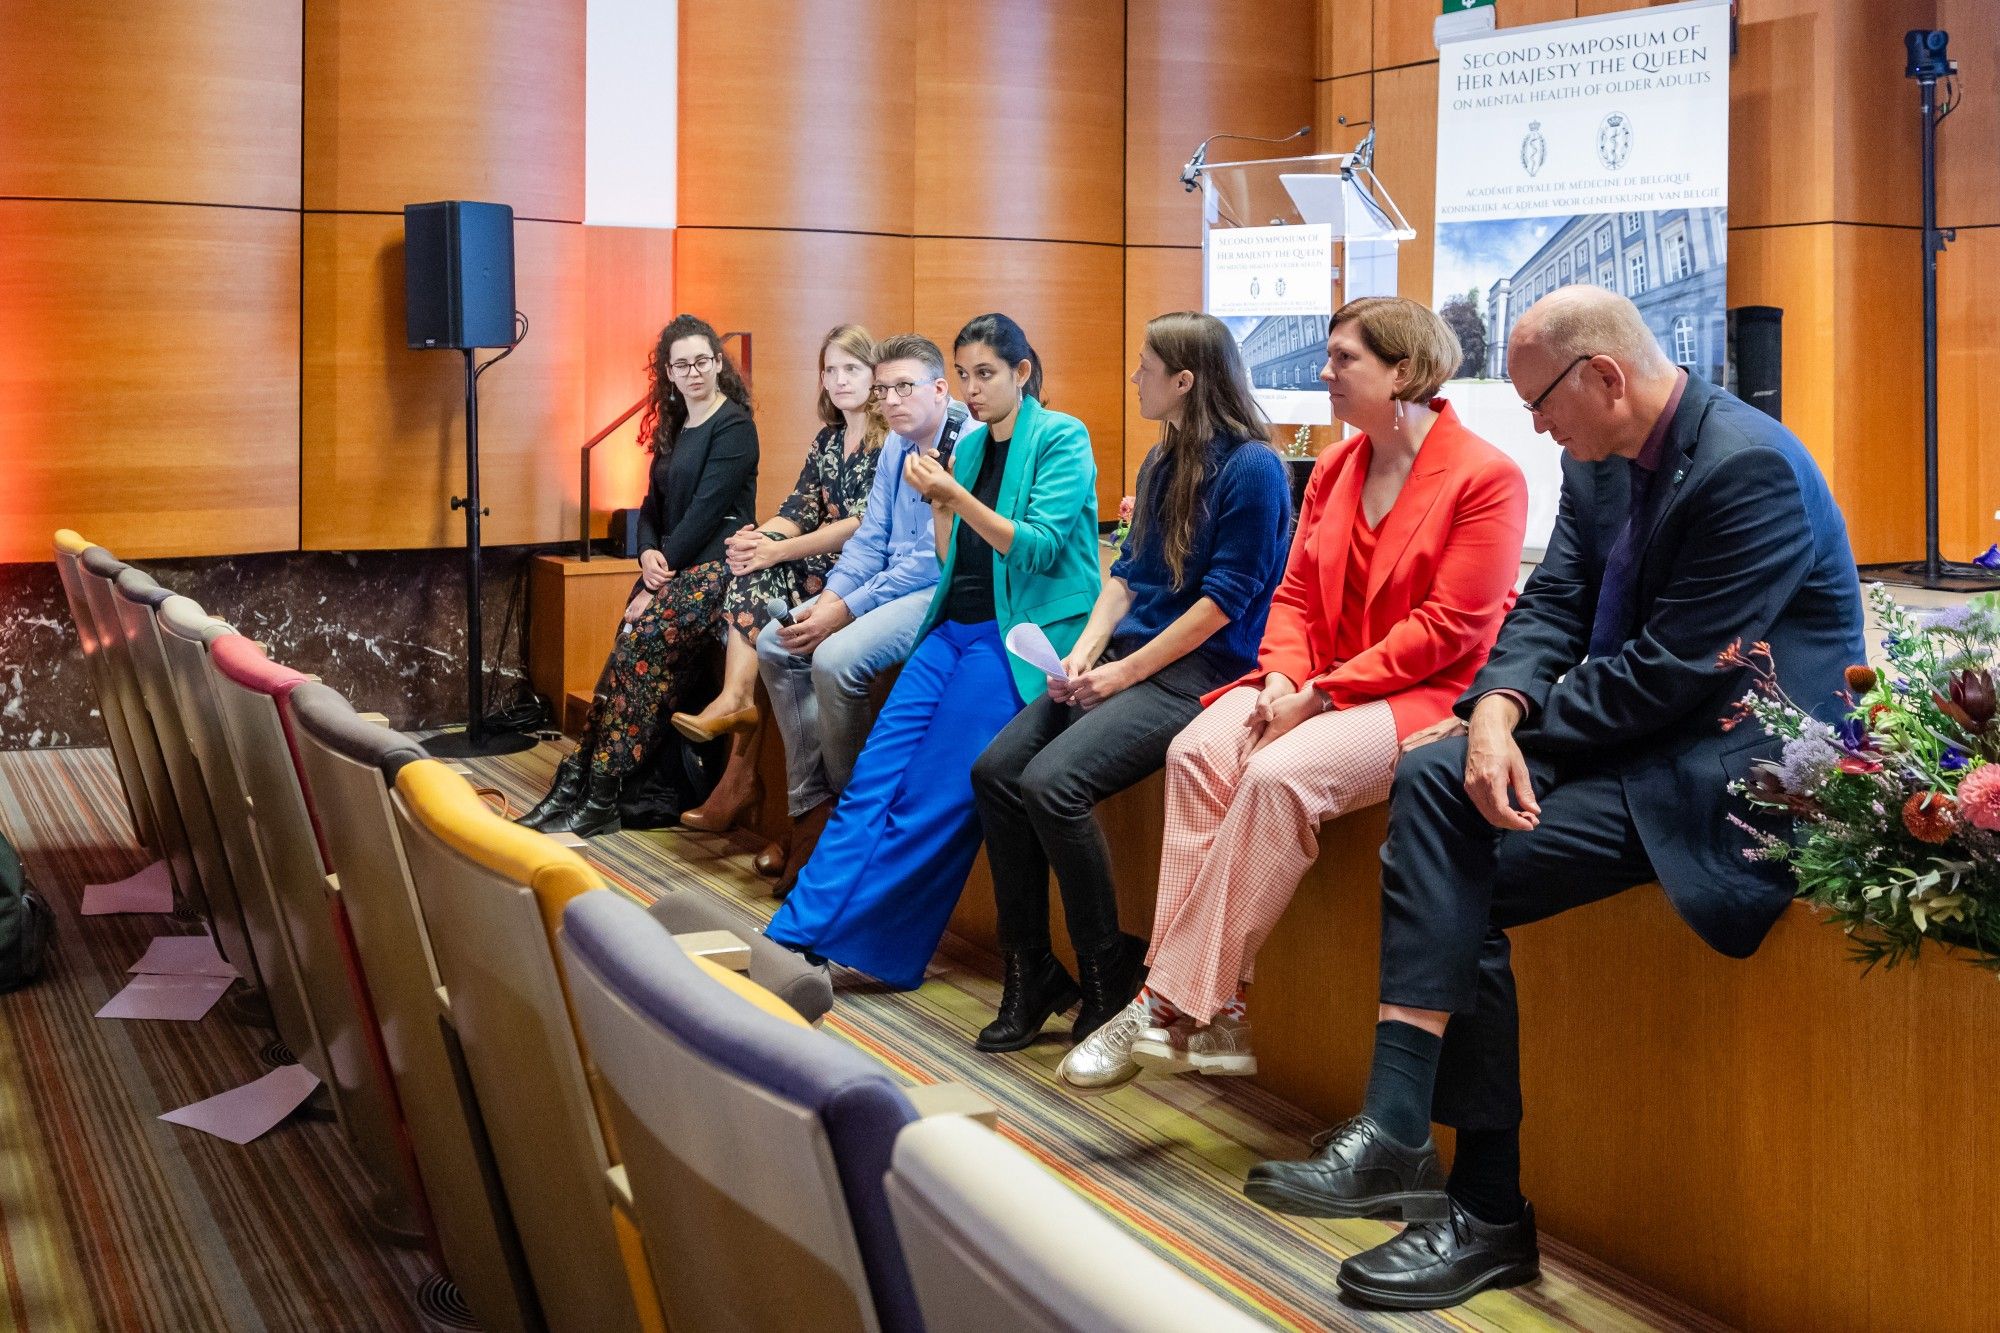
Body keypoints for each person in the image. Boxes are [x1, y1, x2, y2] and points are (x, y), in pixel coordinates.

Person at [1243, 286, 1864, 1312]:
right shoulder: (1598, 454)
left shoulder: (1746, 467)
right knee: (1441, 785)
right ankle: (1410, 1145)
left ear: (1604, 378)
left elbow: (1671, 673)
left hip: (1727, 772)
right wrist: (1495, 703)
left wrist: (1506, 724)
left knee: (1455, 858)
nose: (1533, 426)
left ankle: (1466, 1196)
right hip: (1640, 738)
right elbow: (1553, 601)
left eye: (1539, 403)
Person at [1062, 296, 1529, 1093]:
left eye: (1344, 357)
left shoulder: (1488, 477)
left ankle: (1164, 999)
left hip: (1419, 697)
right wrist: (1283, 676)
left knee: (1277, 778)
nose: (1324, 370)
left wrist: (1314, 696)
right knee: (1197, 750)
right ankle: (1224, 1003)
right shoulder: (1340, 466)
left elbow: (1446, 631)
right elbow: (1295, 596)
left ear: (1404, 371)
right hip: (1309, 677)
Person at [969, 312, 1292, 1054]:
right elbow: (1126, 578)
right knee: (996, 772)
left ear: (1185, 380)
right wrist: (1083, 654)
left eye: (1145, 366)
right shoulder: (1161, 461)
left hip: (1200, 674)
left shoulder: (1252, 466)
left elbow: (1223, 605)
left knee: (1052, 783)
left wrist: (1120, 674)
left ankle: (1109, 970)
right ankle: (1031, 970)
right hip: (1133, 659)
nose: (1135, 377)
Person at [765, 314, 1100, 988]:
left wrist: (950, 496)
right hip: (953, 625)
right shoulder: (968, 452)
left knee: (931, 794)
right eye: (967, 374)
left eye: (985, 374)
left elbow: (1035, 547)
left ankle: (868, 947)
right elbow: (950, 558)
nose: (973, 390)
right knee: (872, 780)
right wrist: (947, 507)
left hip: (1016, 636)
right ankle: (798, 930)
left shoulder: (1061, 437)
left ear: (1021, 374)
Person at [518, 314, 757, 836]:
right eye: (681, 364)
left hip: (716, 567)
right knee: (623, 655)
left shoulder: (734, 425)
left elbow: (705, 515)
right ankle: (580, 783)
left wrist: (657, 576)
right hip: (671, 566)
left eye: (702, 360)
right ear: (668, 373)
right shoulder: (674, 427)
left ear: (718, 363)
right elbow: (652, 506)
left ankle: (600, 787)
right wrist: (645, 553)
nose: (693, 371)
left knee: (642, 643)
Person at [752, 333, 972, 894]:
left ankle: (856, 813)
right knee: (777, 642)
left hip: (938, 589)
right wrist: (831, 602)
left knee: (832, 659)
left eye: (904, 387)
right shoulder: (897, 444)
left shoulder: (964, 443)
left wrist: (846, 609)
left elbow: (931, 562)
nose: (892, 400)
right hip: (882, 582)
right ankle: (813, 806)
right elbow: (872, 539)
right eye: (884, 390)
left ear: (940, 389)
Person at [666, 324, 889, 848]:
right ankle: (736, 698)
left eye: (851, 368)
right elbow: (799, 509)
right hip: (816, 561)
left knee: (769, 585)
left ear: (875, 373)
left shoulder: (893, 439)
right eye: (829, 370)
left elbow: (862, 524)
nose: (838, 380)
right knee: (745, 566)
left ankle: (758, 782)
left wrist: (778, 549)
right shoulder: (829, 440)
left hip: (860, 573)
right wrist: (757, 539)